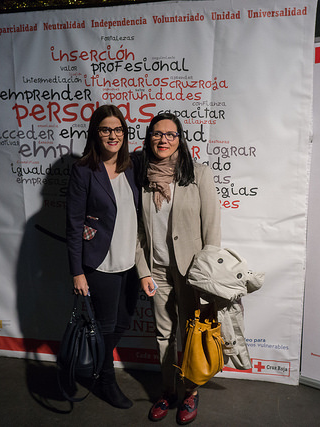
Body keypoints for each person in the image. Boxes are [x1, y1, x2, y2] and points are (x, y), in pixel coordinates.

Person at [135, 113, 221, 425]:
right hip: (157, 269)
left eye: (170, 134)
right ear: (149, 138)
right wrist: (143, 270)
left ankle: (191, 392)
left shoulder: (199, 174)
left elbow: (211, 229)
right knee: (164, 335)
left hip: (191, 271)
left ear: (180, 139)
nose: (163, 140)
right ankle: (168, 391)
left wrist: (207, 275)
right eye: (157, 134)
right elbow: (137, 231)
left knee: (192, 334)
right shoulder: (142, 177)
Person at [66, 104, 140, 409]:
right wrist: (77, 271)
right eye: (106, 129)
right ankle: (106, 380)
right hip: (100, 263)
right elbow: (73, 223)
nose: (113, 135)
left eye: (118, 129)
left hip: (131, 262)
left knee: (123, 321)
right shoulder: (84, 170)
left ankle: (97, 365)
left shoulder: (132, 166)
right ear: (95, 133)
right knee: (106, 325)